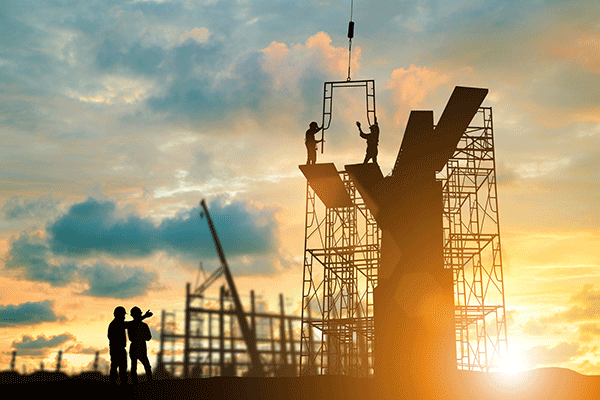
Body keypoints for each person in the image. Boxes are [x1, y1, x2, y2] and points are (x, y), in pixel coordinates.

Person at [107, 306, 152, 385]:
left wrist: (144, 316)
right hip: (117, 349)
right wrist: (144, 316)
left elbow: (133, 323)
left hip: (121, 349)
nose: (124, 317)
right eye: (123, 315)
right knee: (117, 368)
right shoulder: (116, 324)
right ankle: (117, 384)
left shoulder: (119, 324)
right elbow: (133, 323)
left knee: (123, 368)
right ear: (118, 315)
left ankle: (122, 384)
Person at [128, 306, 153, 385]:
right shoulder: (143, 325)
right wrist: (142, 336)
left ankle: (135, 384)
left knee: (134, 367)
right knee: (147, 366)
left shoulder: (130, 325)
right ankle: (149, 382)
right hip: (141, 346)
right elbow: (148, 337)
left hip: (134, 347)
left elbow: (131, 338)